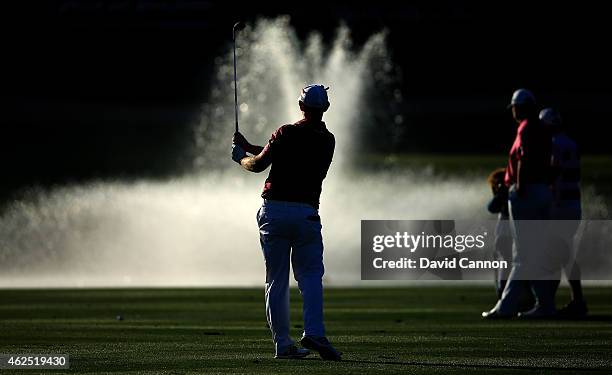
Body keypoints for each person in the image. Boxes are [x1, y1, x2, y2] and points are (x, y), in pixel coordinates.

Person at [231, 84, 342, 360]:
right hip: (306, 215)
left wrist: (241, 157)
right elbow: (279, 154)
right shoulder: (328, 140)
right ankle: (314, 331)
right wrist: (249, 147)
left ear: (301, 106)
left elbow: (259, 164)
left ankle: (283, 344)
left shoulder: (286, 133)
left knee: (276, 280)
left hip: (275, 213)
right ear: (325, 108)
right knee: (311, 276)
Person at [482, 88, 556, 319]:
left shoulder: (525, 127)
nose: (513, 112)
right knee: (532, 253)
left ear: (521, 107)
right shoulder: (544, 128)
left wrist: (521, 186)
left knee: (522, 254)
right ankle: (544, 304)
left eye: (514, 107)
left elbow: (524, 157)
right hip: (542, 190)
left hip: (528, 192)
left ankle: (506, 306)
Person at [540, 108, 587, 318]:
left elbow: (556, 176)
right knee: (564, 254)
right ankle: (573, 300)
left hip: (561, 205)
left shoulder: (554, 145)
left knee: (558, 254)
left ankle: (550, 302)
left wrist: (552, 205)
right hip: (573, 203)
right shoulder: (571, 143)